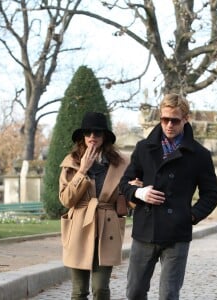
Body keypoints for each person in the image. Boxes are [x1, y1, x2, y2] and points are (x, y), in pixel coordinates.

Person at [119, 93, 217, 300]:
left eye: (175, 120)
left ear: (186, 119)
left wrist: (190, 216)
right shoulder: (144, 148)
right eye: (165, 119)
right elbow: (124, 184)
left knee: (169, 295)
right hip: (145, 229)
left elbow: (211, 193)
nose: (169, 125)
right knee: (134, 292)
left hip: (177, 233)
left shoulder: (199, 154)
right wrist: (140, 192)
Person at [59, 112, 129, 300]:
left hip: (108, 228)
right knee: (79, 291)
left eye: (97, 133)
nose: (92, 137)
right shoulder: (71, 162)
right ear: (83, 136)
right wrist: (82, 170)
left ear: (104, 136)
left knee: (100, 289)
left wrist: (134, 192)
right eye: (88, 133)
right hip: (79, 227)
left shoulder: (121, 163)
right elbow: (66, 200)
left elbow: (128, 201)